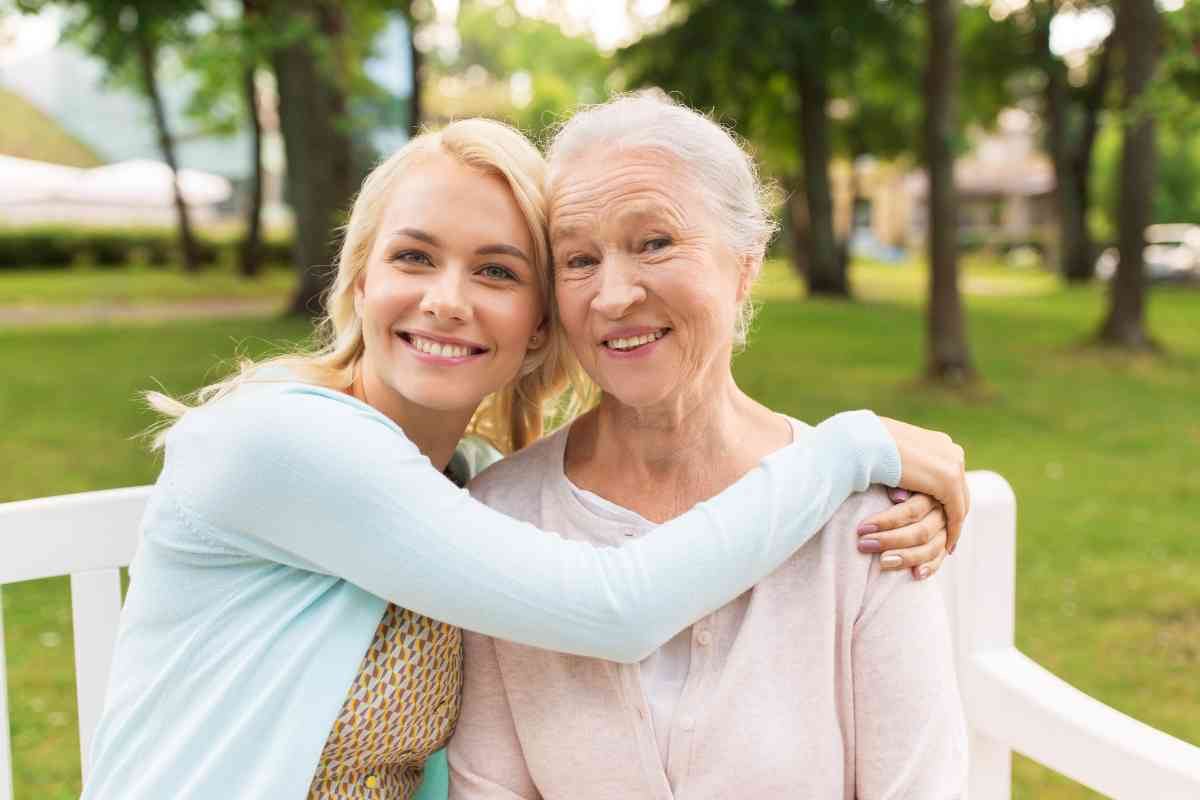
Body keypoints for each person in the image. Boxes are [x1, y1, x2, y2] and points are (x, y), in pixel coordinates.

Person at [82, 118, 966, 800]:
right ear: (359, 281)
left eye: (499, 272)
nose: (447, 301)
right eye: (412, 257)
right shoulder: (283, 443)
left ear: (539, 323)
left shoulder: (458, 490)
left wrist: (856, 483)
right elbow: (612, 606)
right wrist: (849, 449)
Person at [447, 95, 967, 799]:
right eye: (578, 259)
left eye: (654, 242)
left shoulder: (873, 522)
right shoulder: (501, 517)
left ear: (744, 263)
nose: (613, 295)